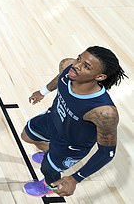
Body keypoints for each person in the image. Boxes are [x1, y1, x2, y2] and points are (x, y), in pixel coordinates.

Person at [21, 46, 127, 197]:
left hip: (70, 144)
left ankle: (47, 186)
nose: (77, 65)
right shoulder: (69, 67)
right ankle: (49, 153)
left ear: (100, 77)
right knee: (27, 135)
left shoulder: (104, 112)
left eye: (86, 66)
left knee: (48, 169)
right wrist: (43, 91)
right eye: (79, 59)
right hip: (54, 118)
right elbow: (60, 78)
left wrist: (75, 179)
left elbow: (107, 152)